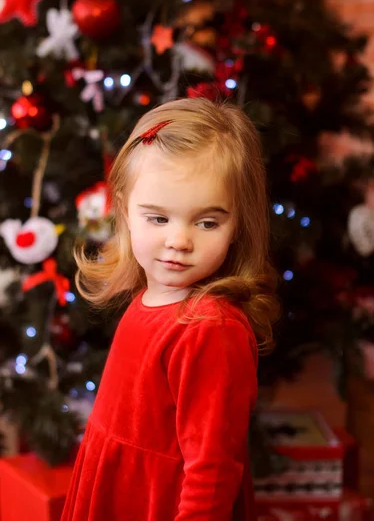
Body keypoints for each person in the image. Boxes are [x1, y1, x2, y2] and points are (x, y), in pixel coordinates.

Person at [61, 97, 280, 521]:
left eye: (207, 222)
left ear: (238, 225)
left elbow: (212, 473)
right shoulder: (150, 294)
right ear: (124, 211)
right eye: (158, 219)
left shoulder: (210, 329)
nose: (179, 240)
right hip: (119, 490)